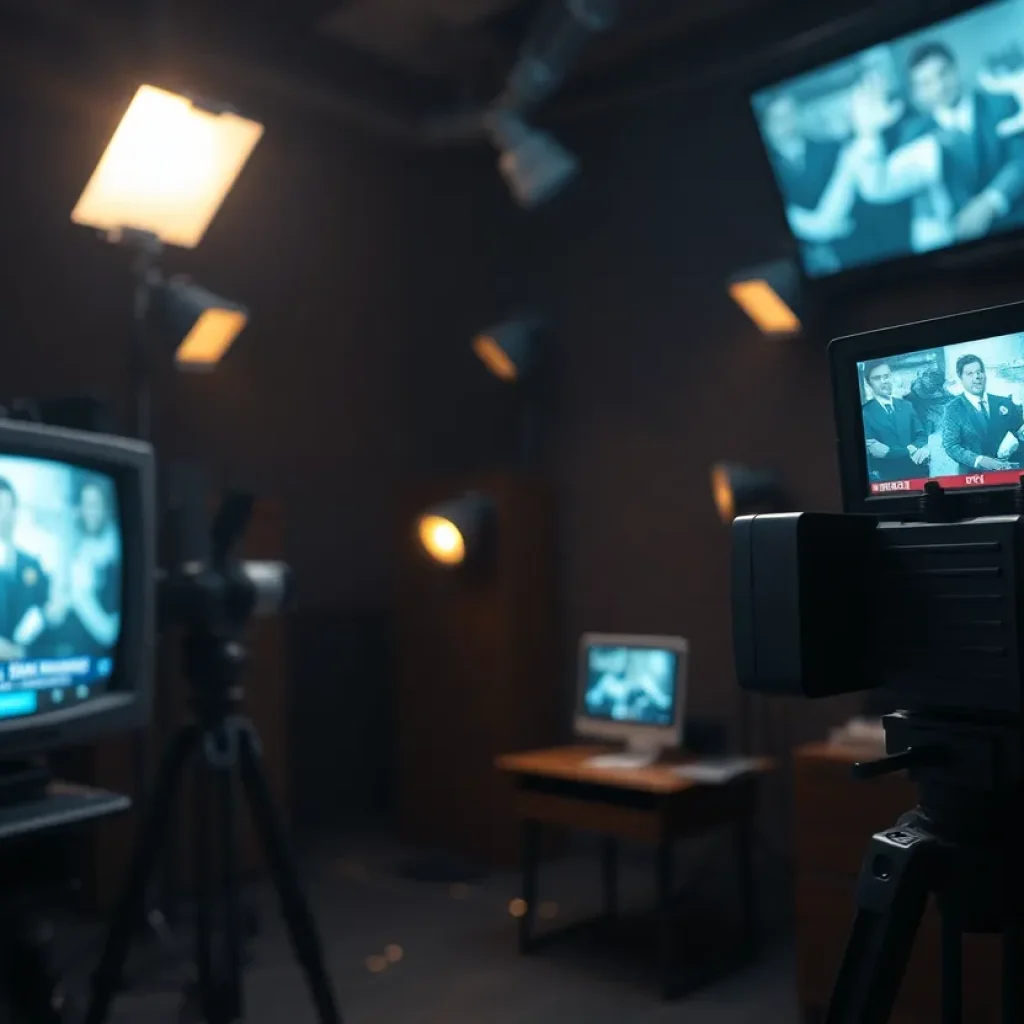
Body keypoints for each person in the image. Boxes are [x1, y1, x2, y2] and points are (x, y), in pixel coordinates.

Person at [850, 42, 1024, 251]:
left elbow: (1020, 158)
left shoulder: (1002, 102)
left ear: (956, 69)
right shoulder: (914, 133)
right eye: (925, 83)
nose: (939, 87)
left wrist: (990, 202)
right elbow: (885, 185)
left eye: (943, 73)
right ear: (917, 91)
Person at [44, 480, 120, 659]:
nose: (89, 513)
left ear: (106, 508)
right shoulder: (79, 548)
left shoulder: (114, 556)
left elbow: (110, 633)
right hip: (72, 652)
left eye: (94, 505)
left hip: (99, 653)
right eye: (85, 505)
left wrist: (80, 599)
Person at [941, 354, 1024, 474]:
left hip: (1009, 474)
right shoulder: (953, 409)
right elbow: (951, 446)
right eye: (969, 374)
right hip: (973, 479)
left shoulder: (1004, 402)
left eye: (980, 372)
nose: (977, 377)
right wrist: (979, 460)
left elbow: (1019, 431)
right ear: (961, 378)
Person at [0, 478, 50, 661]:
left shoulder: (31, 564)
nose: (1, 516)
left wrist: (20, 651)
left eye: (5, 508)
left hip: (25, 668)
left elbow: (45, 611)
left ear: (15, 513)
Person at [861, 360, 930, 482]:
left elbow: (922, 436)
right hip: (887, 479)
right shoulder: (864, 412)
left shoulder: (907, 405)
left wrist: (892, 452)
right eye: (877, 378)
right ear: (868, 383)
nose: (884, 381)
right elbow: (877, 452)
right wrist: (910, 449)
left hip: (918, 474)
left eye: (886, 376)